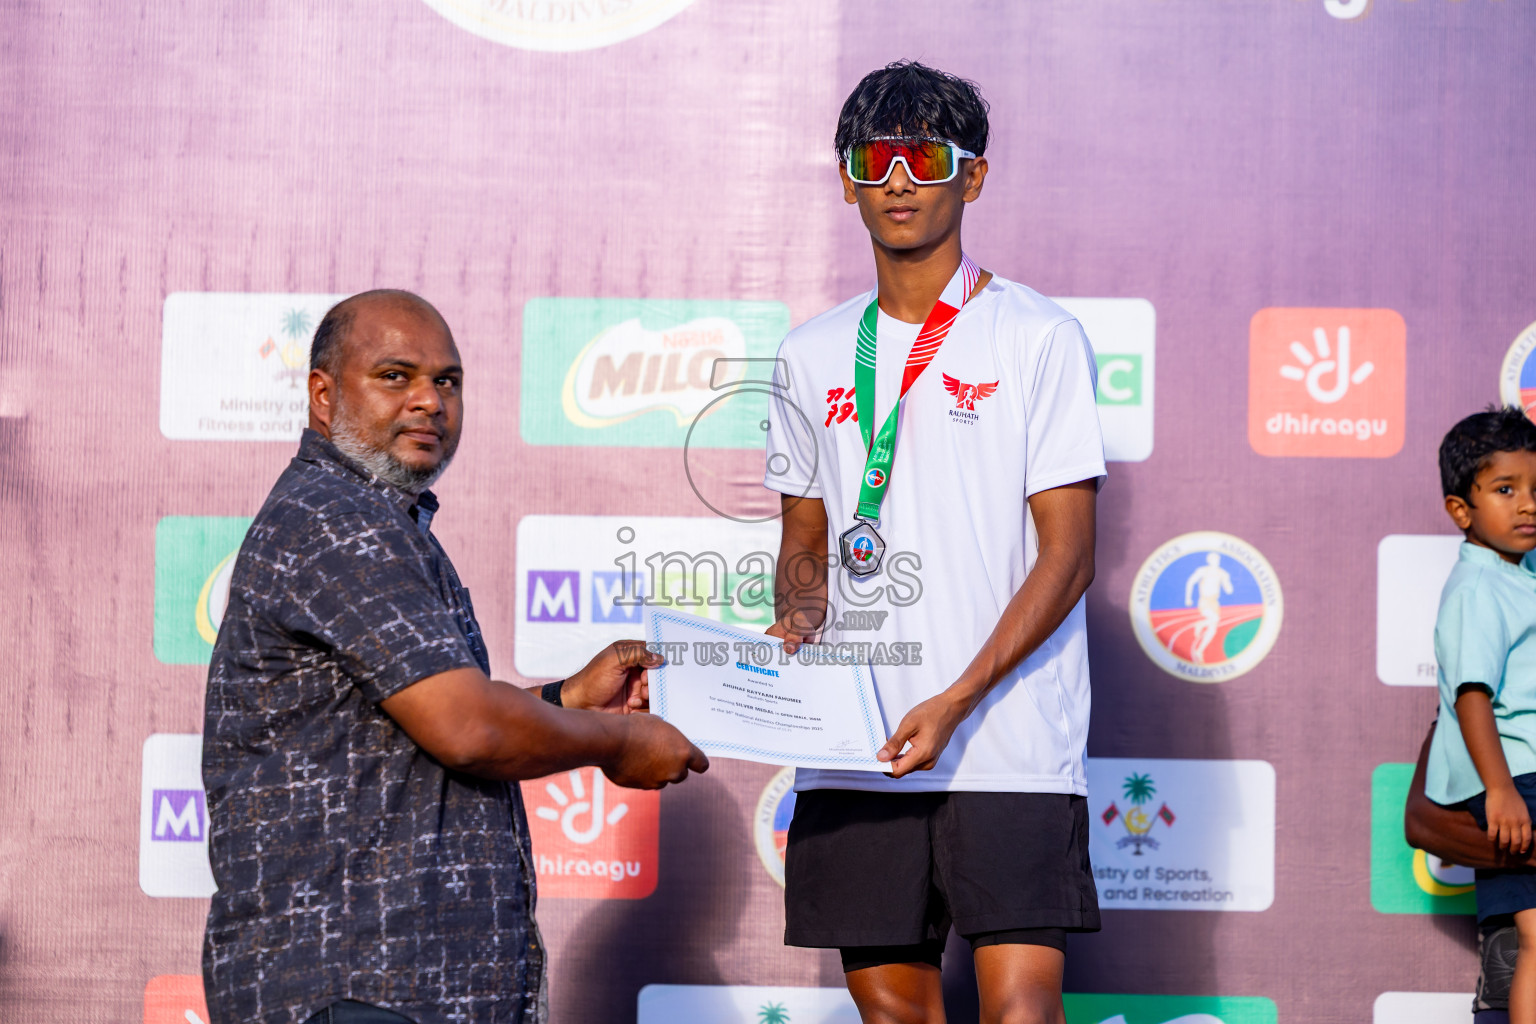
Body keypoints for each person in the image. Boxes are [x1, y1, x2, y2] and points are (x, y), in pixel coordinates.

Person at [200, 289, 709, 1024]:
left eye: (447, 381)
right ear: (322, 395)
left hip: (393, 989)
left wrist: (564, 701)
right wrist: (619, 741)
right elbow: (468, 730)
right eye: (395, 376)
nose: (429, 402)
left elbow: (406, 732)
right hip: (358, 987)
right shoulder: (335, 519)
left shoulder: (381, 521)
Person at [763, 62, 1104, 1024]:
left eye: (925, 157)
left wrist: (956, 698)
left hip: (1006, 739)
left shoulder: (1037, 335)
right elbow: (805, 540)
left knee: (1022, 1013)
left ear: (973, 176)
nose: (901, 179)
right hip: (857, 745)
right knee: (895, 1018)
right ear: (847, 180)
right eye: (877, 160)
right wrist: (786, 638)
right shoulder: (809, 352)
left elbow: (1069, 557)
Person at [1424, 406, 1536, 1024]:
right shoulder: (1477, 589)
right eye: (1505, 490)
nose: (1528, 505)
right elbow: (1472, 693)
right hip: (1518, 781)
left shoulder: (1518, 576)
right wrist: (1499, 790)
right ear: (1461, 511)